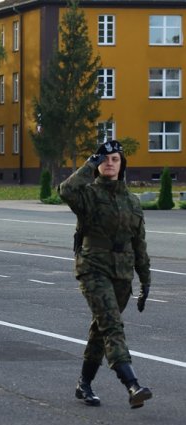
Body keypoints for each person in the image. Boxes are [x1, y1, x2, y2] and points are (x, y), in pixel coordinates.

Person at [58, 140, 152, 409]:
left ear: (122, 165)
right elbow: (66, 190)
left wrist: (145, 280)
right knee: (112, 326)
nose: (109, 163)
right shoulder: (87, 195)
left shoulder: (132, 202)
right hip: (92, 268)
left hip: (122, 274)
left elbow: (139, 245)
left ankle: (84, 384)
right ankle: (132, 384)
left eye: (114, 159)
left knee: (101, 331)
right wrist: (90, 162)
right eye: (104, 159)